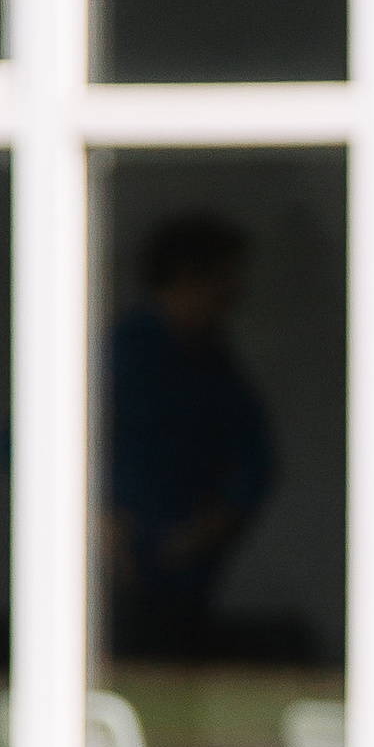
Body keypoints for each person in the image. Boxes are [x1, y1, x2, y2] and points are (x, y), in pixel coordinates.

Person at [103, 211, 276, 662]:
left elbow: (255, 463)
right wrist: (99, 524)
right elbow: (23, 443)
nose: (234, 295)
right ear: (188, 277)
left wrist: (208, 528)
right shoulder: (119, 354)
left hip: (187, 580)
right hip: (108, 583)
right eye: (224, 280)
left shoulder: (214, 363)